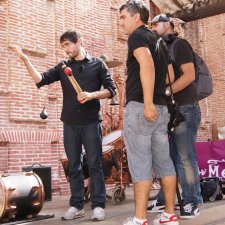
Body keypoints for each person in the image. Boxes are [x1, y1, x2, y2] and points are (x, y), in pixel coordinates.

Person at [12, 29, 116, 221]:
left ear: (79, 42)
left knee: (95, 165)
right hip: (69, 123)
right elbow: (40, 80)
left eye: (68, 44)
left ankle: (98, 205)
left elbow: (111, 90)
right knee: (74, 166)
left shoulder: (98, 64)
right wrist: (25, 60)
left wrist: (92, 94)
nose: (65, 49)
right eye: (63, 46)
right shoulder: (63, 67)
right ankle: (76, 206)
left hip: (91, 122)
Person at [119, 1, 179, 225]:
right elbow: (170, 76)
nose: (122, 22)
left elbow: (147, 65)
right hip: (161, 109)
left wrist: (147, 102)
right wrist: (155, 97)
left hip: (142, 108)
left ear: (136, 17)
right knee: (165, 163)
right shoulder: (160, 41)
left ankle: (140, 218)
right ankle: (169, 215)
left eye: (124, 17)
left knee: (140, 164)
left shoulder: (137, 36)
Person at [149, 14, 203, 219]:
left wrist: (166, 93)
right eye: (151, 24)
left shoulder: (179, 44)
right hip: (171, 113)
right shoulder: (159, 47)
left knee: (185, 157)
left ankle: (192, 201)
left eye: (157, 23)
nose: (153, 26)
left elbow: (189, 76)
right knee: (169, 158)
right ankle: (166, 198)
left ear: (169, 25)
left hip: (185, 108)